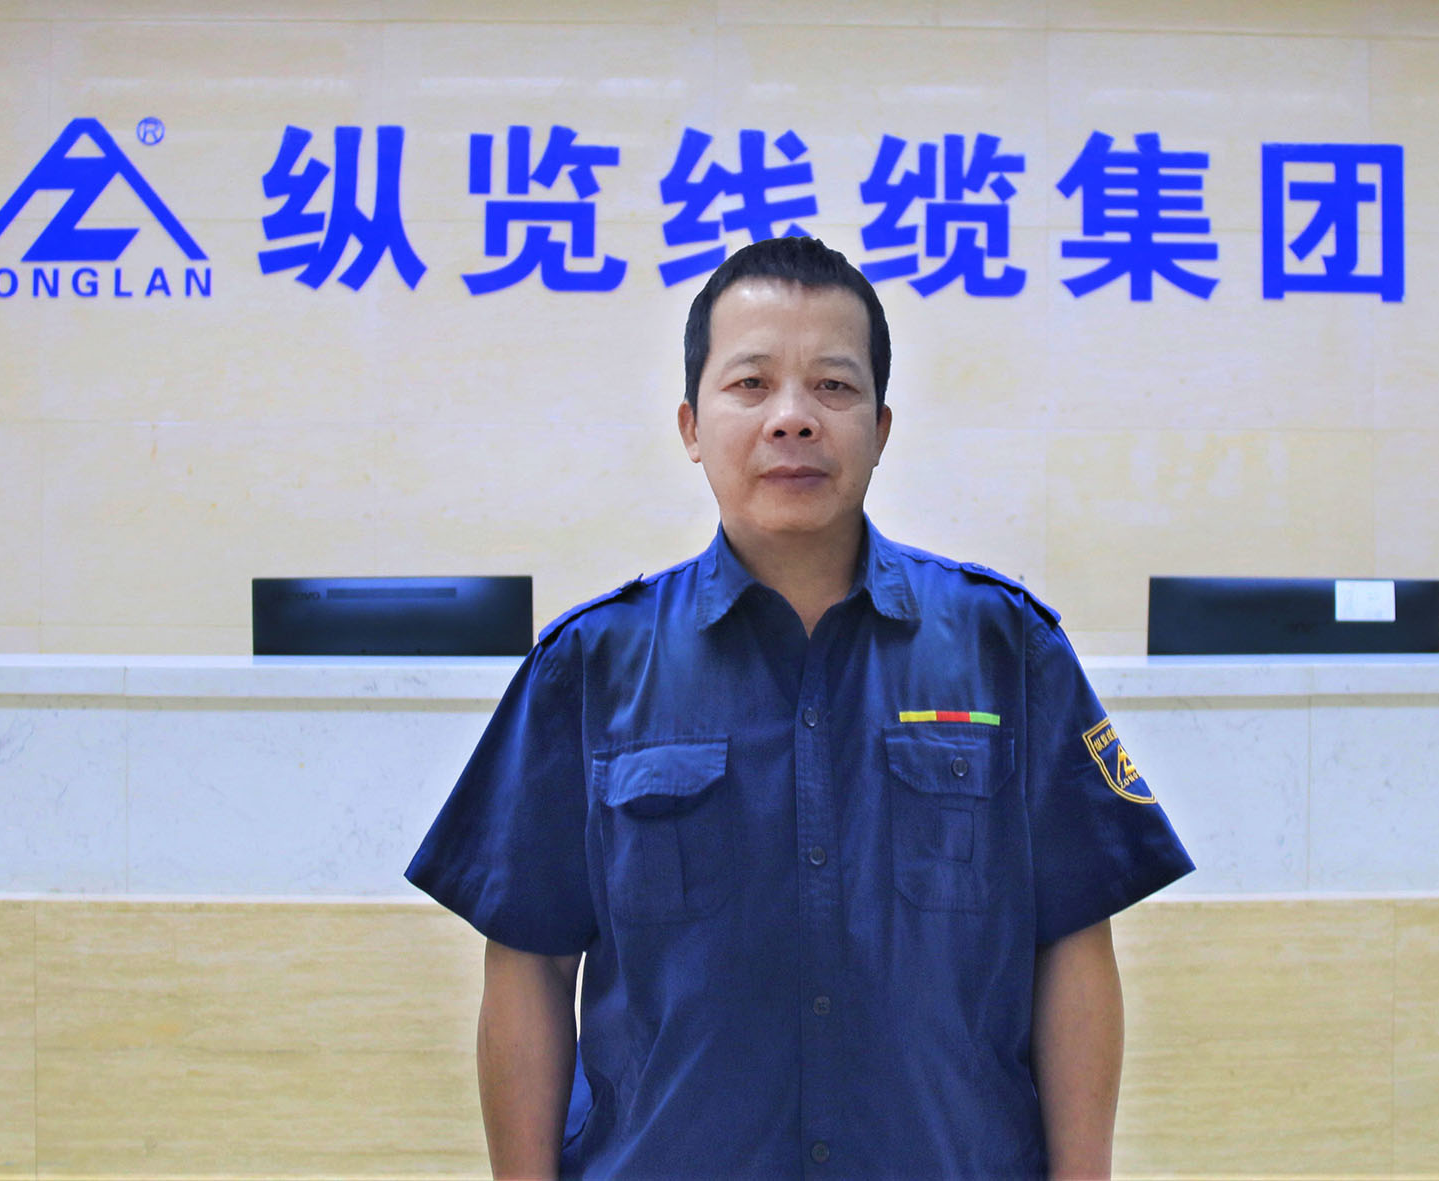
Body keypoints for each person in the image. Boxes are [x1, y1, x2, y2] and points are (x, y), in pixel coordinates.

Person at [406, 236, 1194, 1180]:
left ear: (881, 427)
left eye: (833, 385)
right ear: (692, 425)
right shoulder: (589, 667)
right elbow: (529, 963)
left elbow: (1070, 941)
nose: (792, 418)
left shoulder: (1005, 649)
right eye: (751, 384)